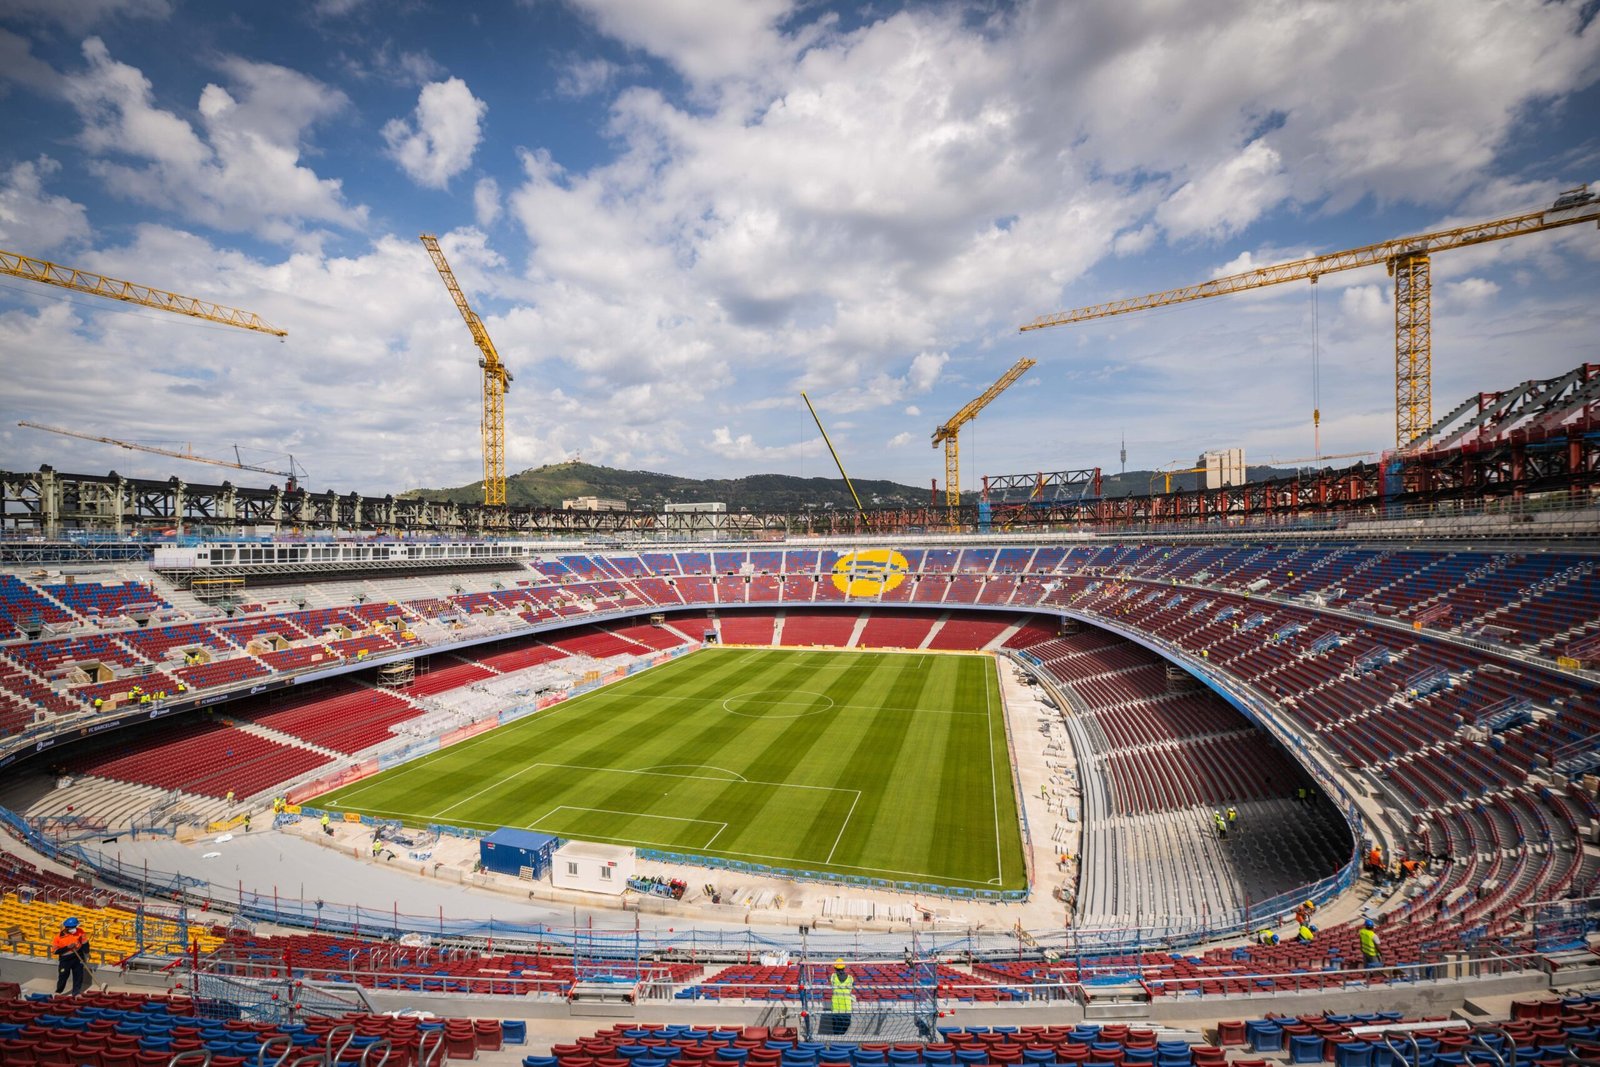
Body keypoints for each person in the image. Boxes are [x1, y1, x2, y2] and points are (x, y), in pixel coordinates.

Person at [52, 916, 91, 996]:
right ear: (67, 928)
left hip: (77, 956)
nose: (74, 929)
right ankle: (59, 991)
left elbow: (85, 943)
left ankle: (76, 992)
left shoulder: (80, 931)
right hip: (65, 959)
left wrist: (86, 954)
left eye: (75, 927)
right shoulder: (58, 937)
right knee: (63, 976)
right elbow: (55, 951)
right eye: (72, 927)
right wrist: (67, 947)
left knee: (78, 975)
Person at [829, 958, 854, 1036]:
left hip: (836, 1008)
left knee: (836, 1029)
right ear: (844, 967)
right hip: (847, 1008)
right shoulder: (850, 978)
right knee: (845, 1026)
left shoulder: (833, 977)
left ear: (835, 968)